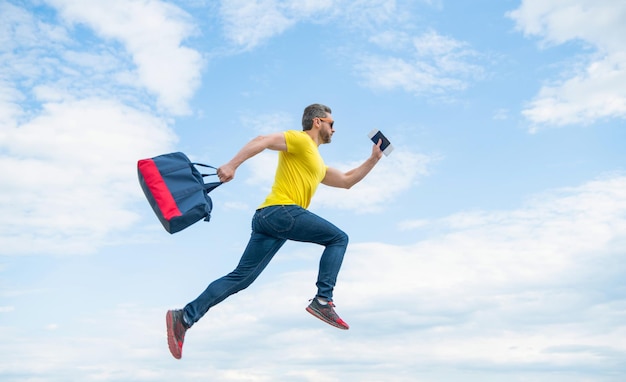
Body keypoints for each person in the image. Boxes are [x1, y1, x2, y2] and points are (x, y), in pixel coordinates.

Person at [166, 103, 383, 359]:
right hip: (280, 212)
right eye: (331, 123)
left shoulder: (315, 162)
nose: (334, 129)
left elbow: (346, 181)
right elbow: (263, 140)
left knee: (241, 279)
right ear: (317, 122)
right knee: (338, 238)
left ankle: (184, 317)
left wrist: (373, 160)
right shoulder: (300, 140)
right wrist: (232, 164)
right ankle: (323, 300)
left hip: (270, 221)